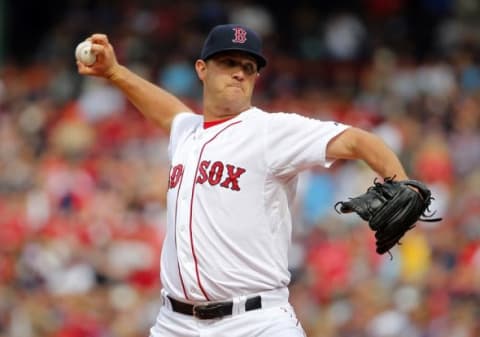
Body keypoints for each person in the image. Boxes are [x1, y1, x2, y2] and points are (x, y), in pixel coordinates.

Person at [77, 24, 411, 337]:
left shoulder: (269, 131)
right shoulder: (188, 133)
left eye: (249, 67)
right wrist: (115, 73)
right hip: (175, 323)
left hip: (255, 322)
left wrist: (403, 182)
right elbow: (169, 112)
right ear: (201, 69)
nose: (240, 72)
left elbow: (358, 141)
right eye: (228, 62)